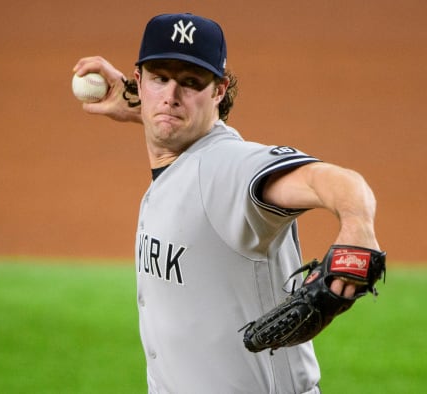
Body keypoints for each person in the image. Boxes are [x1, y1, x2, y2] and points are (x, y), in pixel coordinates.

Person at [73, 13, 383, 394]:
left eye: (191, 83)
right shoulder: (181, 160)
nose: (171, 96)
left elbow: (328, 179)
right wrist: (147, 112)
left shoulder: (228, 169)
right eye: (159, 79)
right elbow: (174, 122)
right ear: (137, 81)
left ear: (219, 91)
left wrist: (358, 226)